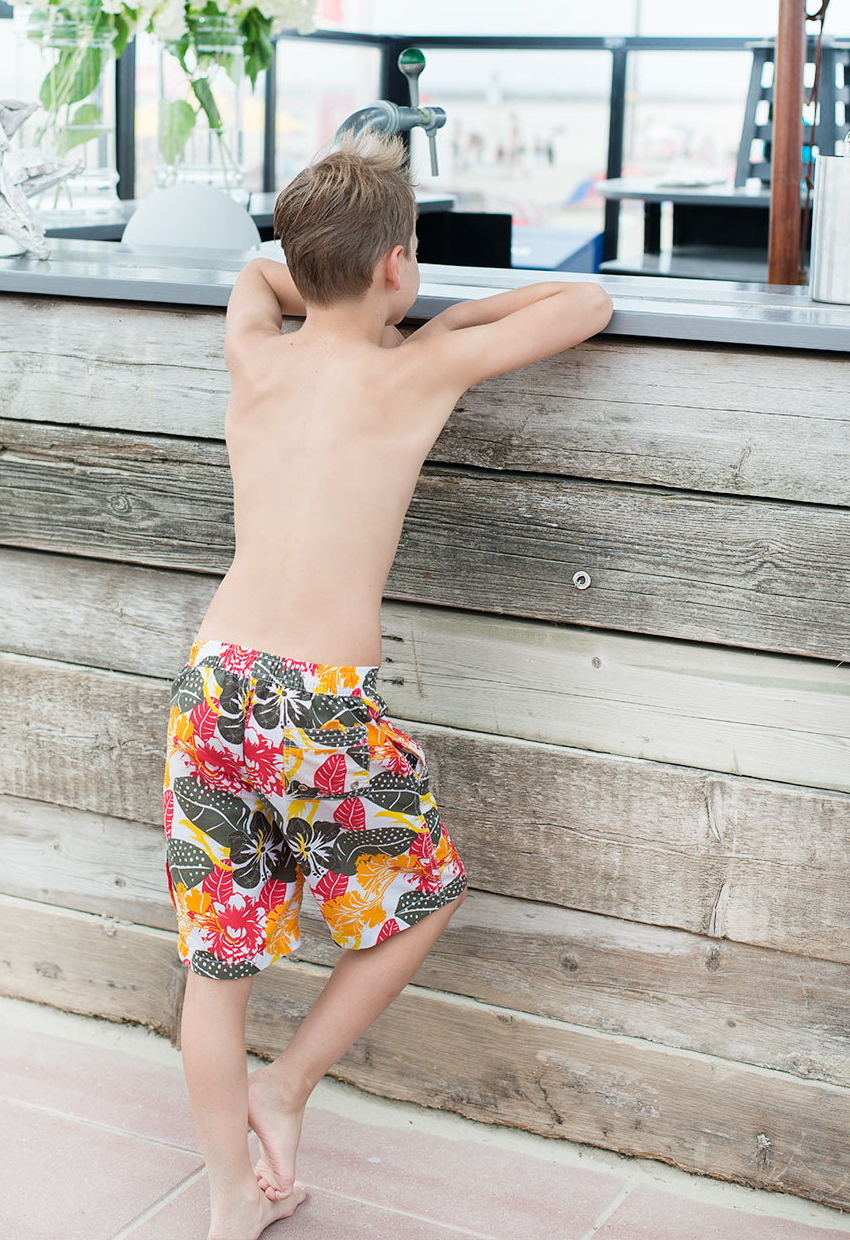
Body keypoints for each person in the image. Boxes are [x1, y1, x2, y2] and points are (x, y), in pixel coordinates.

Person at [165, 130, 613, 1240]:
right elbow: (587, 303)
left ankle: (229, 1200)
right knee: (422, 894)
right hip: (316, 702)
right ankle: (289, 1084)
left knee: (216, 962)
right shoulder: (417, 367)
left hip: (214, 682)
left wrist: (331, 274)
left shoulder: (252, 352)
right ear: (396, 266)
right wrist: (446, 317)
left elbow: (253, 273)